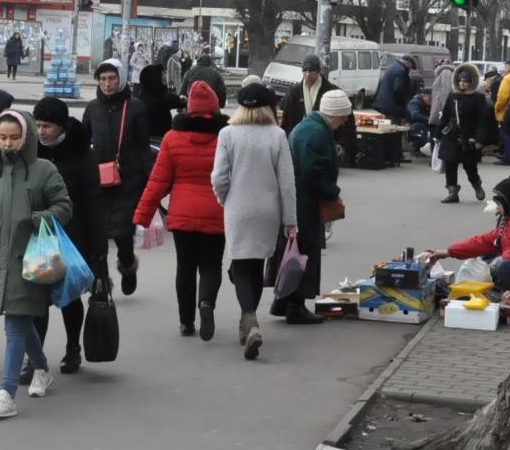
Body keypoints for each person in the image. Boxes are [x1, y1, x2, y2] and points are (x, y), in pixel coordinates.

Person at [0, 109, 74, 418]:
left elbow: (64, 206)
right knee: (21, 320)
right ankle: (41, 369)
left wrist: (38, 216)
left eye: (14, 137)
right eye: (2, 138)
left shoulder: (44, 170)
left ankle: (7, 394)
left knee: (14, 324)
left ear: (25, 137)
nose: (8, 143)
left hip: (32, 260)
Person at [210, 82, 297, 361]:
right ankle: (249, 323)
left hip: (238, 208)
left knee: (240, 264)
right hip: (268, 211)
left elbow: (218, 177)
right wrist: (290, 220)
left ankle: (249, 320)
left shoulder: (227, 134)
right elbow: (287, 184)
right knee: (257, 264)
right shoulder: (277, 135)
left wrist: (225, 199)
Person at [135, 80, 226, 339]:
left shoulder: (172, 139)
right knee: (211, 265)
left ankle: (186, 321)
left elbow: (158, 181)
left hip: (182, 214)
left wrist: (142, 214)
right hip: (215, 211)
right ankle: (206, 302)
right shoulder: (224, 137)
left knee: (185, 267)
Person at [32, 96, 107, 373]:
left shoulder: (81, 153)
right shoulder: (32, 150)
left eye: (48, 126)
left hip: (74, 238)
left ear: (62, 127)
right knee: (36, 298)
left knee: (68, 297)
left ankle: (72, 348)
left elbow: (94, 202)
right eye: (38, 125)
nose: (41, 131)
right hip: (39, 235)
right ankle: (35, 357)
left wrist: (99, 250)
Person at [277, 88, 352, 325]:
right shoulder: (317, 133)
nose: (344, 122)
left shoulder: (308, 126)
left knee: (293, 251)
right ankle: (295, 305)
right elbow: (314, 171)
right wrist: (333, 192)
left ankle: (284, 301)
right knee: (304, 252)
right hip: (305, 202)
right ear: (335, 114)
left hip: (298, 198)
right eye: (343, 117)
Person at [423, 177, 510, 319]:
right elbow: (485, 242)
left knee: (505, 267)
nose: (497, 208)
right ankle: (509, 294)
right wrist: (448, 252)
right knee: (487, 259)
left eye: (499, 204)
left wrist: (505, 257)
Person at [83, 58, 152, 297]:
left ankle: (127, 264)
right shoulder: (92, 108)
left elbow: (144, 147)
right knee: (97, 236)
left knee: (123, 234)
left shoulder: (136, 107)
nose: (107, 84)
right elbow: (84, 142)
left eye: (112, 78)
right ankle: (101, 282)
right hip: (98, 181)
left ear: (121, 79)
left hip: (128, 181)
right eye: (103, 79)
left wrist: (148, 181)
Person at [438, 63, 492, 204]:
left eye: (465, 81)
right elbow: (445, 116)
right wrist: (437, 134)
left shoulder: (478, 97)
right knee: (450, 164)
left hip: (469, 136)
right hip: (451, 135)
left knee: (470, 165)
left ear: (471, 82)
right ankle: (452, 192)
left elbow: (482, 120)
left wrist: (480, 139)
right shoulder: (452, 95)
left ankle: (476, 184)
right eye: (460, 81)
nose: (462, 84)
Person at [279, 54, 333, 134]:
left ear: (318, 71)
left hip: (321, 135)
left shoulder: (330, 91)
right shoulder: (294, 91)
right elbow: (285, 113)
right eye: (305, 71)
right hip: (297, 135)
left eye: (311, 71)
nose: (307, 74)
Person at [134, 61, 180, 142]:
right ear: (155, 78)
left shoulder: (141, 97)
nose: (165, 76)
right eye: (162, 74)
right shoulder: (159, 100)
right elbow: (174, 100)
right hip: (158, 142)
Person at [374, 54, 415, 126]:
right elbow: (398, 89)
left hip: (385, 103)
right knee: (393, 127)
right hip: (393, 106)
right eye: (411, 67)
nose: (410, 69)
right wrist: (402, 104)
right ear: (407, 62)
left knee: (387, 124)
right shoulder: (401, 71)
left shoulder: (392, 67)